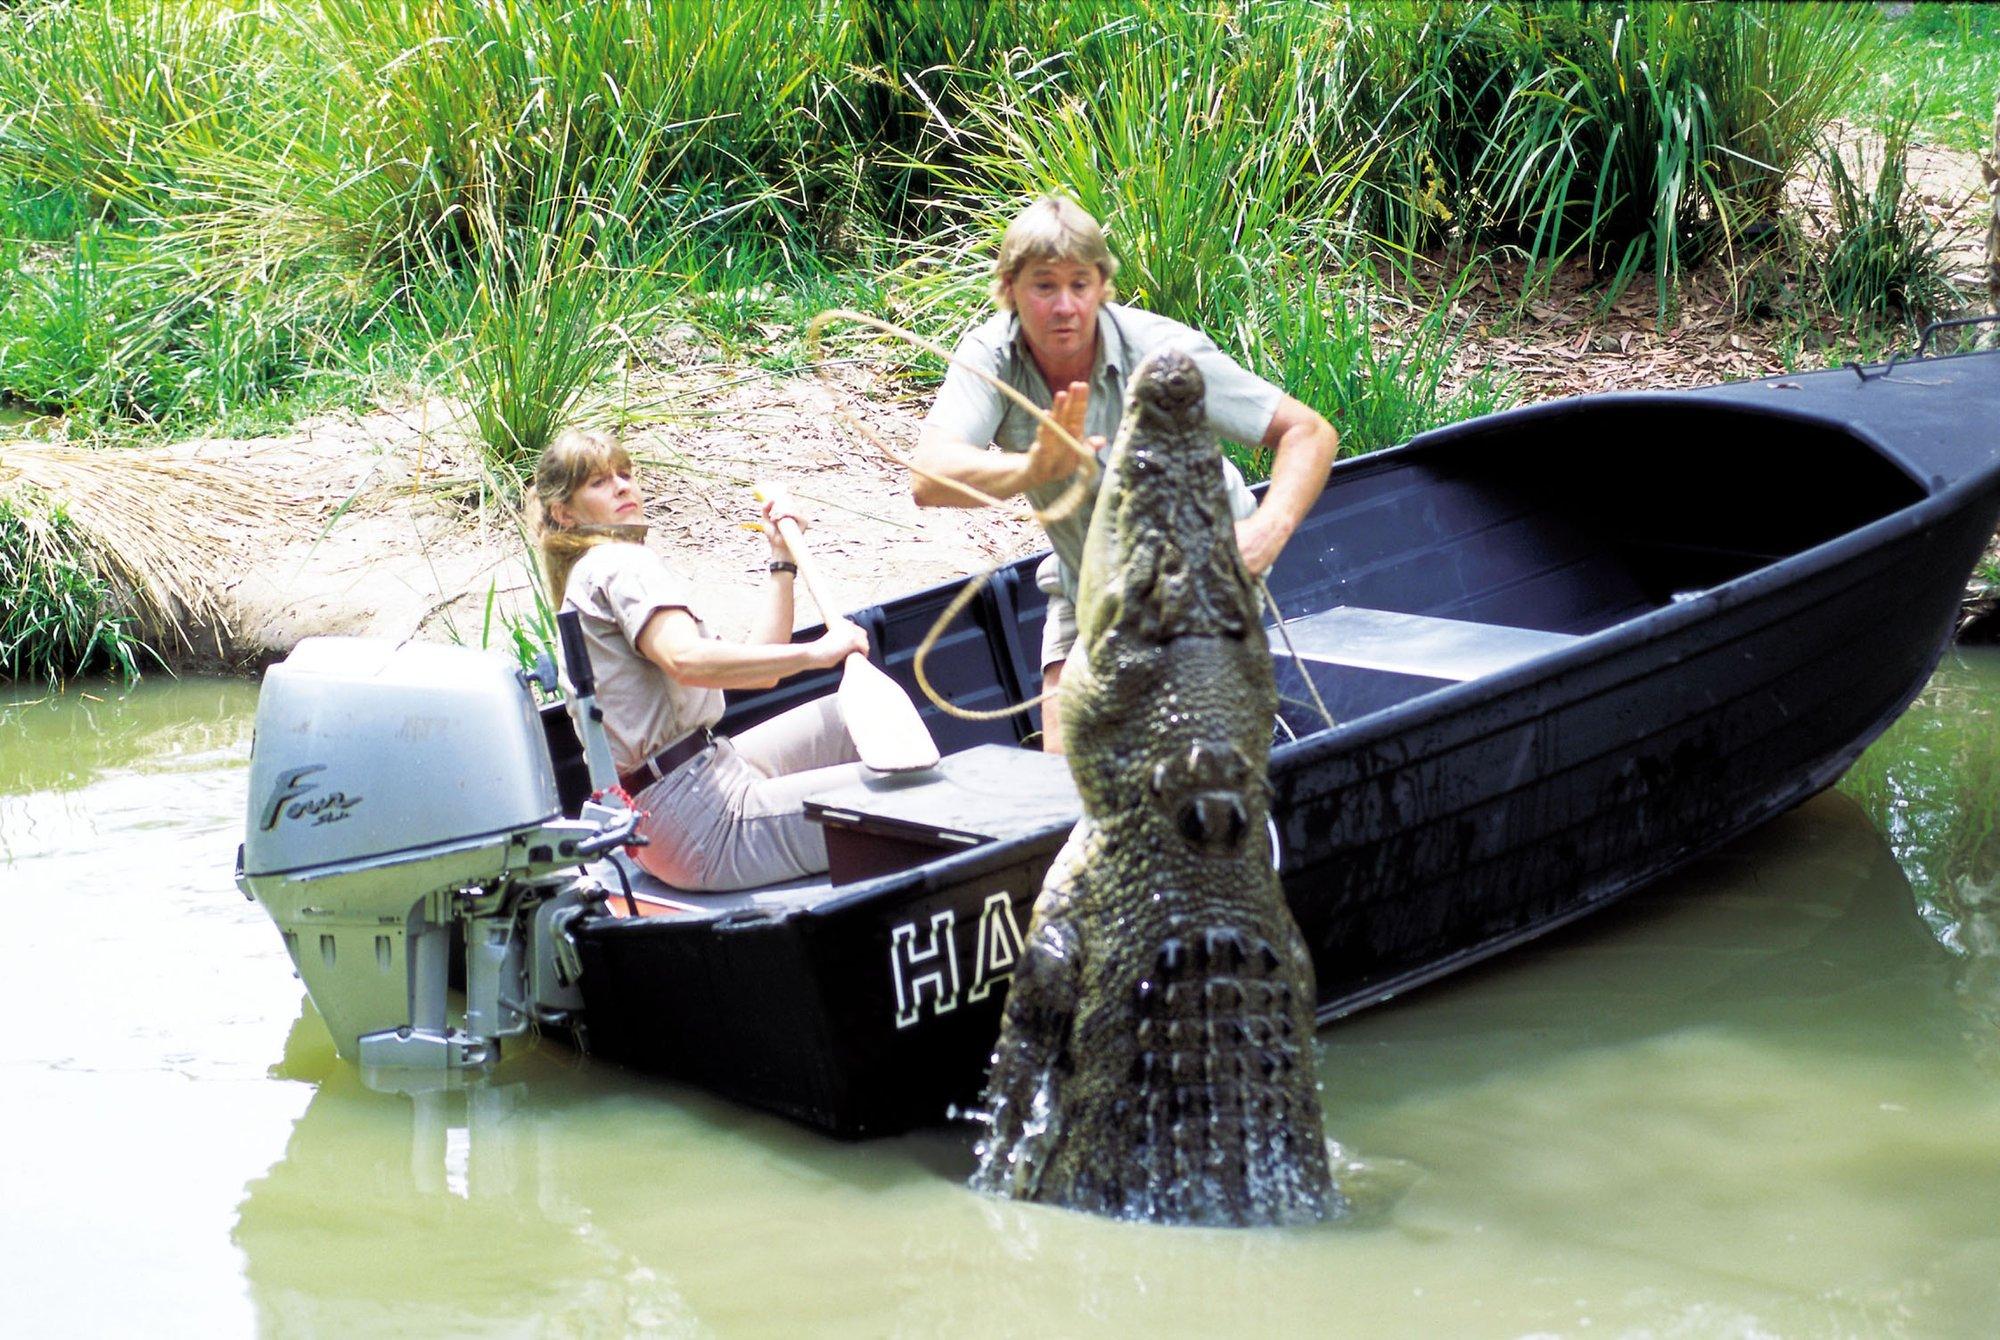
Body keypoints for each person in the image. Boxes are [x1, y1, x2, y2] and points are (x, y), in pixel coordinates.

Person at [911, 195, 1339, 752]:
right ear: (1010, 288)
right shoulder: (991, 355)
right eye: (1044, 286)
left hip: (1196, 575)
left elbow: (1309, 432)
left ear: (1102, 287)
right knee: (1060, 774)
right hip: (1084, 581)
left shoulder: (1163, 355)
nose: (1065, 305)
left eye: (1080, 285)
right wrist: (1030, 468)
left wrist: (1265, 533)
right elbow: (928, 479)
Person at [531, 427, 870, 892]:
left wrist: (781, 557)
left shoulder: (597, 569)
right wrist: (816, 654)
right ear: (563, 513)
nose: (622, 486)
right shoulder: (617, 563)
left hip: (686, 793)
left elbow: (763, 670)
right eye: (599, 482)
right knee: (901, 796)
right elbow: (685, 659)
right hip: (698, 819)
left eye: (625, 473)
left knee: (850, 716)